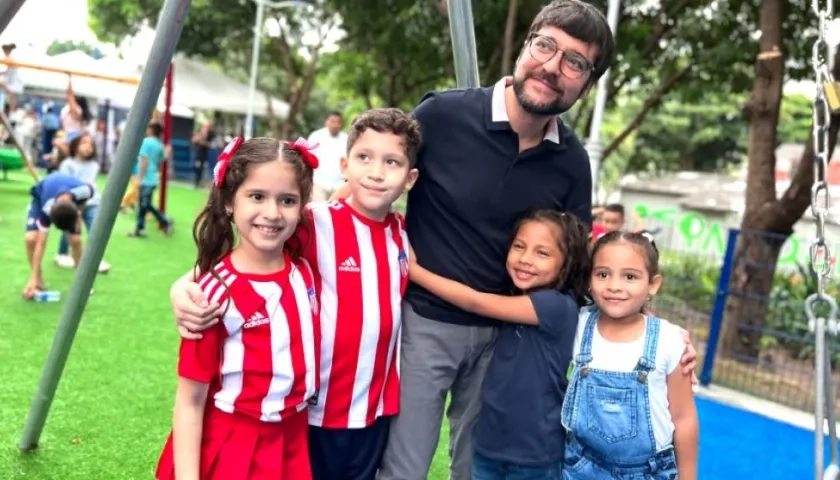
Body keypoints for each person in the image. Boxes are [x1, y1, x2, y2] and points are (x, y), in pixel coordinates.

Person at [178, 2, 697, 478]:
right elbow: (363, 186)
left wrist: (653, 328)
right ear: (525, 47)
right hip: (423, 325)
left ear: (586, 83)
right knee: (404, 466)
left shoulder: (571, 161)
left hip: (506, 338)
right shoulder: (443, 116)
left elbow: (584, 268)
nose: (553, 66)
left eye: (575, 63)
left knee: (473, 467)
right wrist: (191, 284)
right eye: (546, 47)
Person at [169, 108, 421, 480]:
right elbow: (250, 255)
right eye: (364, 157)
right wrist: (183, 285)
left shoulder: (400, 232)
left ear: (410, 177)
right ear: (345, 165)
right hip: (311, 417)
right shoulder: (314, 223)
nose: (377, 171)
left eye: (392, 162)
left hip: (371, 412)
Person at [155, 136, 320, 480]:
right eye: (257, 196)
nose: (272, 213)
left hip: (293, 439)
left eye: (287, 200)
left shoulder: (303, 269)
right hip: (233, 447)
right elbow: (189, 401)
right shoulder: (210, 295)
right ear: (230, 201)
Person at [408, 210, 591, 479]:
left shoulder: (556, 306)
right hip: (489, 447)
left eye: (542, 253)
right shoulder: (517, 297)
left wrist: (414, 272)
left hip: (534, 455)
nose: (526, 259)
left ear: (567, 264)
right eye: (519, 246)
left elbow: (474, 301)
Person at [562, 231, 699, 479]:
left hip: (647, 472)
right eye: (603, 274)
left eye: (630, 277)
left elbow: (684, 417)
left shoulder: (669, 341)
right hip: (578, 468)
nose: (614, 286)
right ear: (589, 279)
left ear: (653, 284)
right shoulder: (576, 325)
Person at [22, 172, 94, 298]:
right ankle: (37, 280)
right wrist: (32, 278)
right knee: (30, 239)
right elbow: (41, 243)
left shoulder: (86, 190)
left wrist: (78, 214)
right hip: (40, 197)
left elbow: (85, 199)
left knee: (76, 240)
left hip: (72, 206)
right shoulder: (46, 208)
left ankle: (82, 282)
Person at [55, 130, 111, 273]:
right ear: (75, 145)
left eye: (91, 145)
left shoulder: (94, 166)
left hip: (90, 202)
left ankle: (94, 260)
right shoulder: (67, 164)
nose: (88, 147)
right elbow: (65, 184)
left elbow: (89, 184)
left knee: (95, 230)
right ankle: (62, 254)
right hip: (72, 203)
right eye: (84, 143)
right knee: (69, 229)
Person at [129, 122, 174, 237]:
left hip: (146, 178)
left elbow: (144, 160)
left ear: (151, 130)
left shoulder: (146, 142)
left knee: (145, 204)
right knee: (144, 204)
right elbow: (162, 158)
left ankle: (165, 222)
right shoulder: (159, 144)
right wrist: (167, 151)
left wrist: (140, 177)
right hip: (153, 178)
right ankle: (140, 228)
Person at [307, 111, 348, 202]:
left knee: (337, 212)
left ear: (341, 124)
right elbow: (308, 156)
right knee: (318, 210)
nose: (335, 125)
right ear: (326, 122)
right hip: (319, 182)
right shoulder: (316, 136)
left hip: (339, 184)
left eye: (338, 122)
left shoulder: (346, 139)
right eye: (332, 121)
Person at [191, 120, 215, 188]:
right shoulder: (200, 132)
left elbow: (210, 144)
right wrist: (200, 136)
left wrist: (202, 142)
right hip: (198, 153)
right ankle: (196, 180)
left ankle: (198, 181)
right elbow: (194, 140)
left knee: (201, 168)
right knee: (196, 166)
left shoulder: (211, 134)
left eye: (207, 127)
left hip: (204, 154)